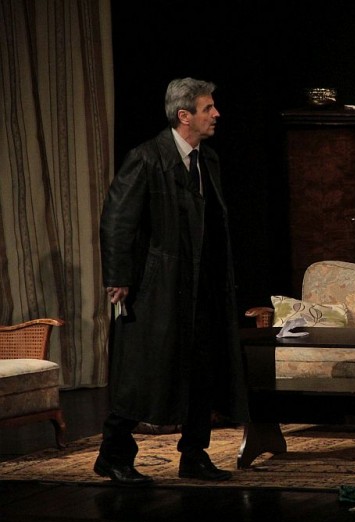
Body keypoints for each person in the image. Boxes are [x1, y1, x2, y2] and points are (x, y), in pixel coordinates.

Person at [95, 77, 249, 485]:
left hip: (201, 286)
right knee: (142, 371)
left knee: (202, 371)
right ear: (184, 115)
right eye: (208, 108)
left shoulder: (207, 159)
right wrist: (118, 277)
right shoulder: (147, 158)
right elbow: (117, 221)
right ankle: (113, 455)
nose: (216, 114)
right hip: (157, 287)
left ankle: (194, 455)